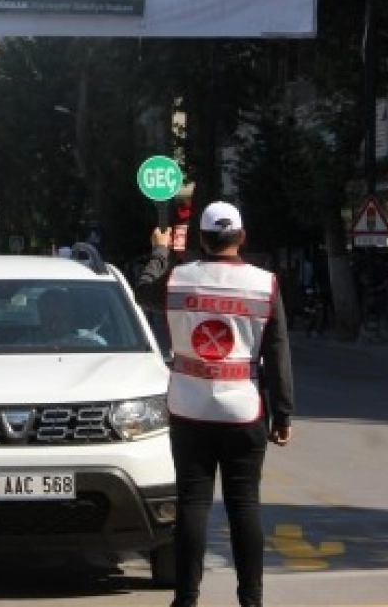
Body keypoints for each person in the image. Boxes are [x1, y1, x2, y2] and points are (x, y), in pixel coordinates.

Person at [135, 201, 294, 607]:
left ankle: (186, 599)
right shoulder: (265, 284)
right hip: (244, 411)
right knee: (245, 506)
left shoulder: (178, 279)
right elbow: (277, 354)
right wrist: (283, 414)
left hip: (190, 410)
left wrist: (160, 251)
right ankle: (251, 600)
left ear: (202, 240)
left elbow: (142, 290)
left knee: (193, 503)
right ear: (241, 237)